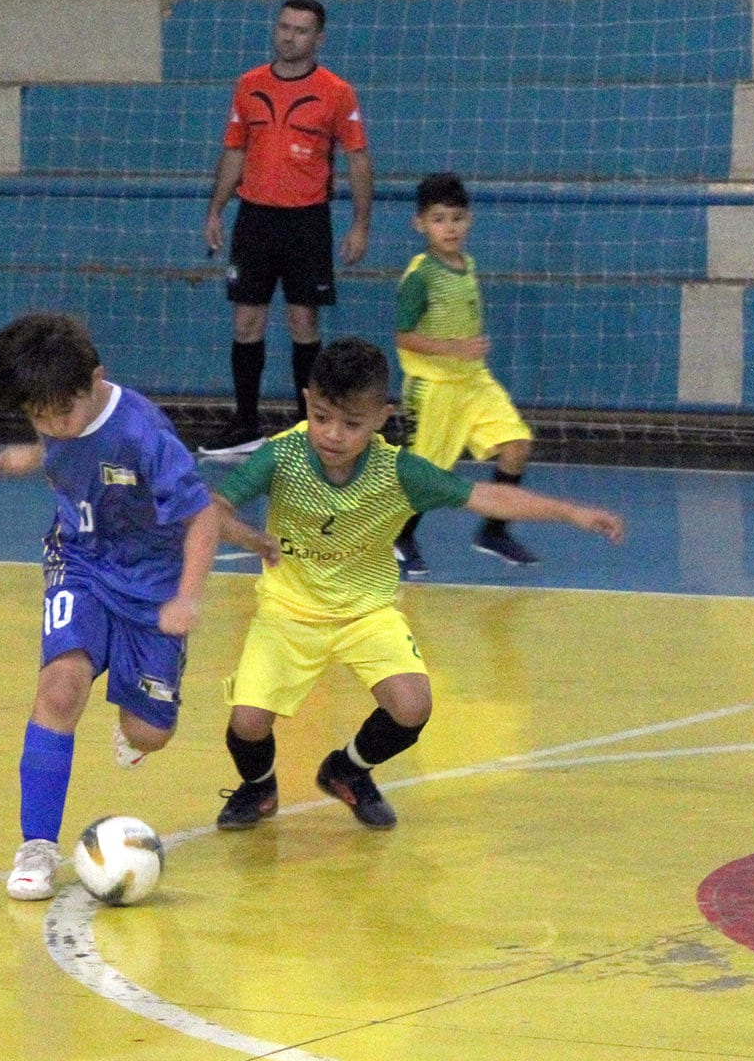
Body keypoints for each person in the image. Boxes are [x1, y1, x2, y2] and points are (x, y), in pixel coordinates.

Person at [210, 338, 623, 830]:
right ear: (307, 401)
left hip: (366, 613)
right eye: (321, 417)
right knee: (248, 722)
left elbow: (485, 496)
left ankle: (348, 770)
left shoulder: (399, 472)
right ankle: (259, 788)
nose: (333, 434)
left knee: (412, 706)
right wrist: (245, 535)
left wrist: (571, 512)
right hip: (289, 610)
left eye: (351, 424)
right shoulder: (282, 457)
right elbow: (214, 506)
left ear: (381, 417)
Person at [0, 313, 218, 900]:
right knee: (60, 688)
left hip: (153, 586)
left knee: (150, 733)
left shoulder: (143, 434)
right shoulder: (57, 415)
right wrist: (34, 453)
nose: (51, 428)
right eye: (37, 418)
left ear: (95, 381)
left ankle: (139, 728)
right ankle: (37, 846)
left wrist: (187, 598)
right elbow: (64, 442)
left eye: (60, 415)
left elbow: (203, 518)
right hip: (81, 561)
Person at [201, 0, 374, 457]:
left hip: (307, 221)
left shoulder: (337, 92)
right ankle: (245, 425)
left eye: (300, 30)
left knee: (303, 321)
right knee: (246, 321)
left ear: (319, 38)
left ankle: (306, 428)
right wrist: (216, 209)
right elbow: (235, 149)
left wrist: (361, 223)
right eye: (284, 27)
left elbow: (358, 158)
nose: (289, 37)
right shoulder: (249, 85)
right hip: (254, 218)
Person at [392, 172, 539, 577]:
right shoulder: (420, 276)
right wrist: (452, 349)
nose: (450, 228)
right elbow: (403, 336)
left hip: (474, 381)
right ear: (420, 224)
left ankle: (494, 530)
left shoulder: (467, 264)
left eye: (457, 218)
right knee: (428, 474)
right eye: (439, 219)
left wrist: (465, 356)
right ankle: (399, 536)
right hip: (434, 387)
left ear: (469, 220)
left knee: (517, 445)